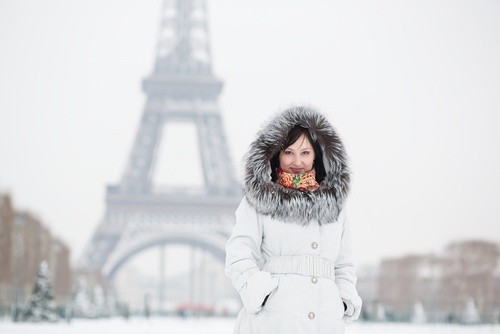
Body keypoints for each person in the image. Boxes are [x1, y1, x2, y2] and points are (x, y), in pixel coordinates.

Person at [225, 105, 362, 333]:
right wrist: (258, 290)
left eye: (305, 153)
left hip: (325, 320)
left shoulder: (335, 205)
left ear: (317, 156)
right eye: (289, 152)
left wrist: (344, 297)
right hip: (274, 319)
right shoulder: (259, 200)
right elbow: (238, 252)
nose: (297, 161)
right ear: (276, 155)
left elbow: (344, 262)